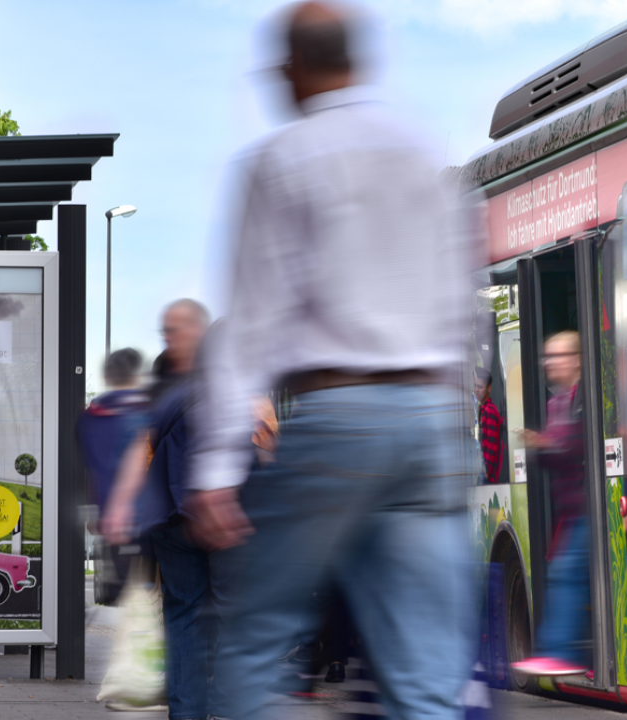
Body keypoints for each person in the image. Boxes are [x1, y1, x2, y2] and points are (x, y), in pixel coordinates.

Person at [186, 3, 482, 718]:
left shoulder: (282, 158)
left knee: (256, 638)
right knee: (426, 673)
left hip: (338, 418)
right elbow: (460, 301)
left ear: (292, 69)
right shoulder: (421, 151)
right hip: (432, 422)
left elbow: (255, 319)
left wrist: (217, 469)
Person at [101, 300, 213, 720]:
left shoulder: (162, 390)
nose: (168, 336)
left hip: (170, 515)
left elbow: (138, 447)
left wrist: (120, 505)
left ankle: (189, 709)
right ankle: (211, 703)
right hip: (203, 517)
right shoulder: (224, 383)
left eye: (173, 329)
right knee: (218, 613)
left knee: (184, 613)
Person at [511, 331, 591, 676]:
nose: (549, 364)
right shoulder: (556, 402)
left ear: (576, 359)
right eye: (546, 358)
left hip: (590, 507)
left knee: (566, 573)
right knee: (565, 573)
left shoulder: (588, 396)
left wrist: (543, 444)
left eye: (556, 357)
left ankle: (557, 652)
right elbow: (556, 456)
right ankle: (557, 650)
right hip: (570, 509)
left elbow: (576, 445)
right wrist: (542, 447)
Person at [75, 348, 150, 606]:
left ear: (107, 375)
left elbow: (87, 469)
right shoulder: (146, 413)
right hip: (150, 520)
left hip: (108, 521)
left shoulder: (88, 419)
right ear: (139, 374)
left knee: (125, 601)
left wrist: (94, 512)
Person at [477, 368, 505, 484]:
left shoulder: (490, 410)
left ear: (489, 388)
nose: (477, 390)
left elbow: (492, 444)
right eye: (475, 386)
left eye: (480, 387)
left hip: (487, 470)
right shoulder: (482, 409)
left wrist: (486, 470)